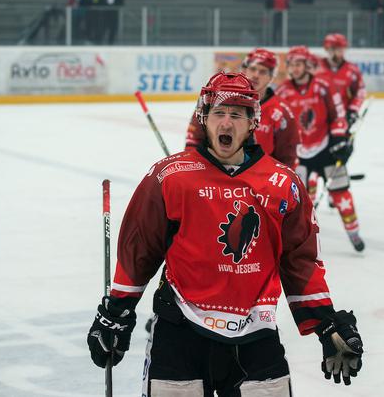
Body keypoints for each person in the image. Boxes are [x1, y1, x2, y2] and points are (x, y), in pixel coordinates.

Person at [87, 72, 364, 396]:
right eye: (219, 113)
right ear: (205, 119)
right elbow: (139, 251)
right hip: (180, 333)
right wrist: (118, 310)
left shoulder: (283, 183)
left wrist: (323, 321)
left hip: (256, 335)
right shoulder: (170, 176)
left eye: (236, 114)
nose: (227, 123)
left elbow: (299, 261)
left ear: (252, 122)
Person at [276, 46, 364, 253]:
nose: (294, 69)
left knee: (341, 193)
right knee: (300, 202)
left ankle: (354, 231)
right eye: (291, 64)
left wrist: (340, 140)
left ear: (307, 65)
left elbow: (338, 115)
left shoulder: (323, 86)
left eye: (298, 64)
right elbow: (277, 121)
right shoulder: (283, 91)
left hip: (326, 150)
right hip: (299, 154)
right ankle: (302, 238)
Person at [186, 48, 300, 168]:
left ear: (271, 77)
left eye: (262, 72)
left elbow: (288, 157)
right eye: (252, 69)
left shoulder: (282, 112)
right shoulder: (216, 97)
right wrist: (191, 166)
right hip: (213, 176)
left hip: (260, 181)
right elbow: (194, 140)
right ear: (244, 69)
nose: (256, 75)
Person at [314, 34, 366, 251]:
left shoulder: (352, 70)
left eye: (339, 48)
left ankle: (334, 190)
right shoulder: (317, 67)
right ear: (326, 49)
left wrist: (353, 110)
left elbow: (359, 92)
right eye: (332, 48)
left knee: (340, 157)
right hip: (316, 125)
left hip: (340, 125)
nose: (336, 52)